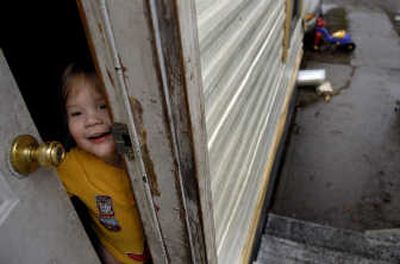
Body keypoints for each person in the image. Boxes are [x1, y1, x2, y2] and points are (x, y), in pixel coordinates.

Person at [57, 63, 149, 264]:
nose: (91, 120)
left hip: (151, 246)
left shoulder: (131, 147)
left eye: (103, 105)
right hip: (113, 251)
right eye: (76, 113)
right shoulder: (73, 166)